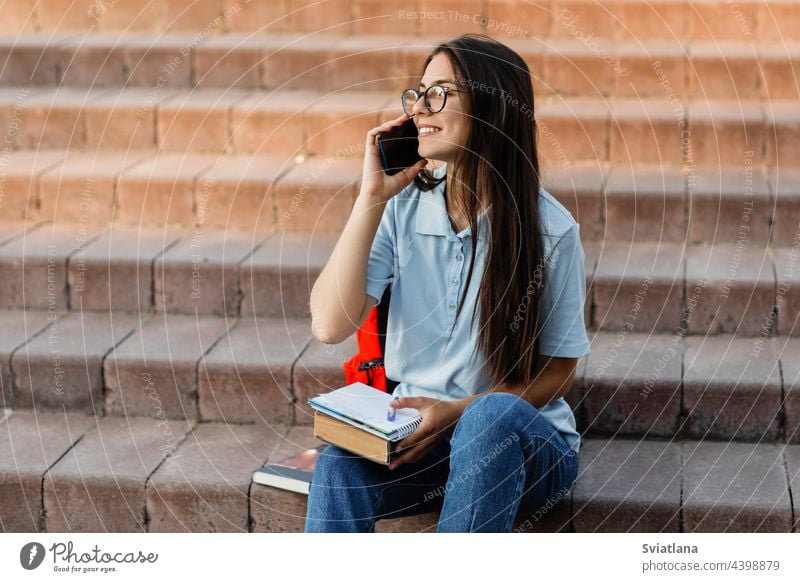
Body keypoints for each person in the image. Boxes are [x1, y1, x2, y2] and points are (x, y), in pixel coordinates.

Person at [305, 33, 591, 533]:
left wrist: (458, 411)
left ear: (491, 108)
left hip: (525, 447)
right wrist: (371, 196)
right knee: (336, 468)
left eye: (440, 93)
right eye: (417, 93)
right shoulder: (400, 206)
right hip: (420, 439)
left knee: (489, 419)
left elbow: (561, 372)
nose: (420, 107)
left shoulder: (551, 229)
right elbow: (330, 325)